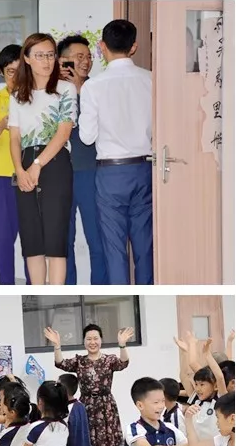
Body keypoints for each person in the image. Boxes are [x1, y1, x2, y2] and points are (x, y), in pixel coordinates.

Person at [78, 20, 153, 285]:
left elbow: (86, 137)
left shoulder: (93, 86)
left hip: (111, 173)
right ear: (134, 47)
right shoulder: (151, 80)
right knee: (145, 246)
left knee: (114, 247)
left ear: (102, 46)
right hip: (145, 167)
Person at [9, 33, 77, 285]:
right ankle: (38, 291)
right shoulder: (17, 95)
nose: (47, 61)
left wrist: (37, 165)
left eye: (50, 55)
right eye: (40, 55)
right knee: (32, 240)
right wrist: (20, 169)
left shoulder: (65, 89)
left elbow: (63, 132)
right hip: (25, 164)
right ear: (27, 59)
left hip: (55, 163)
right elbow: (14, 138)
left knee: (55, 240)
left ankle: (56, 294)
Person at [45, 323, 134, 446]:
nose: (92, 342)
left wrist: (122, 345)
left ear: (101, 340)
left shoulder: (109, 360)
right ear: (84, 342)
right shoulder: (80, 361)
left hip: (106, 406)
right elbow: (60, 363)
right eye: (89, 339)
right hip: (85, 407)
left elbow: (124, 363)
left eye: (95, 338)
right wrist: (57, 346)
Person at [56, 35, 107, 286]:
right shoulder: (52, 92)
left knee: (97, 240)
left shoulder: (98, 89)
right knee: (63, 242)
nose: (86, 61)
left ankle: (101, 287)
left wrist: (79, 89)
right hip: (60, 174)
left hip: (91, 172)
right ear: (62, 61)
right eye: (79, 57)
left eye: (88, 57)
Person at [0, 44, 30, 285]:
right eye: (10, 71)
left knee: (32, 239)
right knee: (2, 240)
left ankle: (34, 287)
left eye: (20, 71)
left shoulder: (35, 98)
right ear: (1, 72)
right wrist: (4, 122)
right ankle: (6, 287)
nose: (15, 76)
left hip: (29, 175)